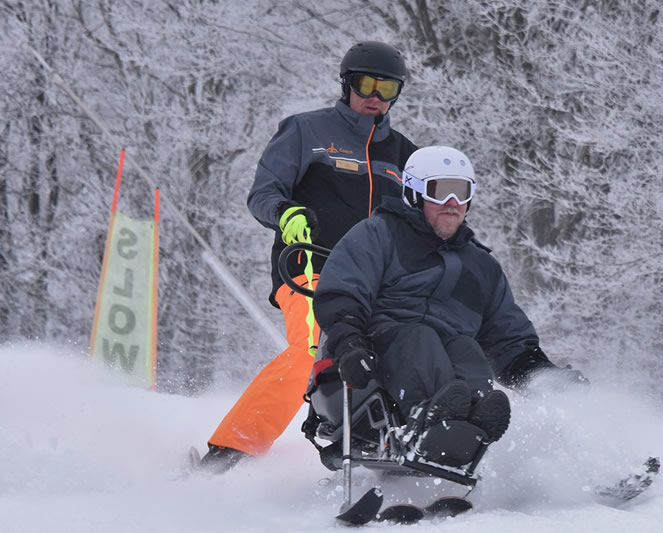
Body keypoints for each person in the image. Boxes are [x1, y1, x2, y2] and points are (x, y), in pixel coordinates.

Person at [198, 42, 417, 471]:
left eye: (387, 87)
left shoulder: (405, 155)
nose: (375, 96)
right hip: (311, 267)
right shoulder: (306, 131)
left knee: (399, 356)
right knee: (312, 349)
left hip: (378, 283)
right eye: (366, 84)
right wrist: (286, 213)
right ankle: (227, 455)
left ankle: (385, 455)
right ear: (347, 84)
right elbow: (264, 193)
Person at [312, 146, 588, 444]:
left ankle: (472, 429)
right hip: (363, 366)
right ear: (415, 193)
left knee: (465, 349)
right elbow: (342, 294)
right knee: (420, 338)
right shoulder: (377, 235)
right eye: (441, 191)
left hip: (443, 369)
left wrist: (541, 375)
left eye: (462, 192)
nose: (453, 202)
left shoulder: (480, 266)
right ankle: (430, 422)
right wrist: (350, 343)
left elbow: (507, 337)